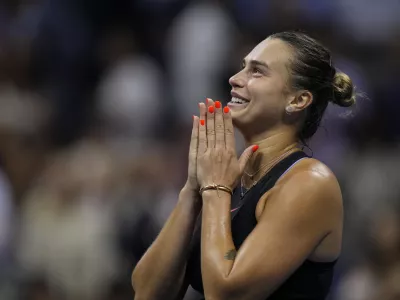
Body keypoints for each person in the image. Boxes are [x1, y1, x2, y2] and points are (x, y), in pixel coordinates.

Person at [131, 31, 355, 300]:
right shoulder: (229, 177)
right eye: (242, 68)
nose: (234, 79)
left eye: (257, 72)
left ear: (298, 100)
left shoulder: (310, 183)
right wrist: (192, 191)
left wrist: (215, 189)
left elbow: (226, 294)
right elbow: (147, 293)